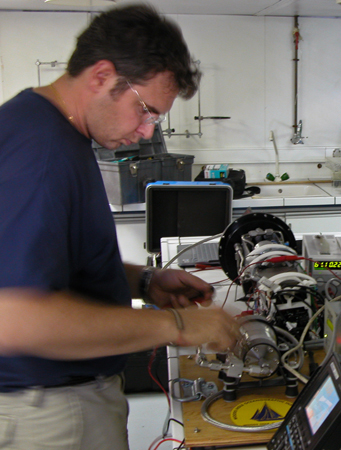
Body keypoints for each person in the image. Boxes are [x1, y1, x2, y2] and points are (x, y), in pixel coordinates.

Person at [0, 4, 240, 450]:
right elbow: (15, 319)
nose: (148, 132)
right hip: (49, 413)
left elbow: (52, 263)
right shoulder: (42, 153)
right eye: (145, 110)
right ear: (101, 76)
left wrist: (145, 279)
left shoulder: (50, 130)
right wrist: (178, 325)